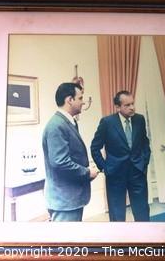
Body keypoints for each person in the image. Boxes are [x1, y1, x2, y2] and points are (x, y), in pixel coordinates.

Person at [42, 82, 99, 222]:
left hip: (70, 198)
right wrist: (87, 173)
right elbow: (60, 162)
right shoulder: (56, 126)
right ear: (69, 100)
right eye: (80, 98)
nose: (83, 102)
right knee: (65, 242)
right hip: (65, 201)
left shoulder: (67, 122)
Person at [90, 91, 151, 221]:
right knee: (117, 215)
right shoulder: (107, 122)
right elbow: (95, 147)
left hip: (137, 172)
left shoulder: (139, 120)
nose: (132, 108)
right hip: (115, 174)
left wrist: (144, 162)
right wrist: (105, 168)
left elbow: (145, 143)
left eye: (133, 104)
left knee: (142, 212)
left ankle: (146, 239)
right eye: (127, 105)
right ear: (118, 107)